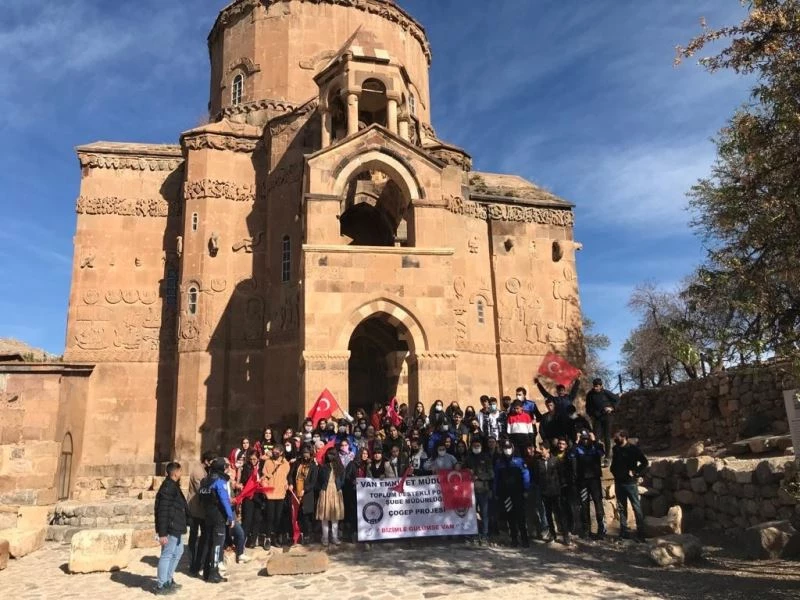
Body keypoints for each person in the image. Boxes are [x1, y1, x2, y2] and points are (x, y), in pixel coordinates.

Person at [154, 462, 189, 594]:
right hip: (170, 528)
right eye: (180, 471)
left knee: (178, 552)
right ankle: (161, 585)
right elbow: (162, 511)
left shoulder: (174, 486)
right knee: (167, 554)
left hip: (177, 526)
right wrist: (162, 533)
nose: (181, 474)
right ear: (175, 473)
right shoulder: (168, 488)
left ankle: (168, 579)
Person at [198, 457, 233, 583]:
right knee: (217, 544)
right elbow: (224, 500)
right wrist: (230, 517)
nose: (227, 468)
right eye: (225, 466)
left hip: (208, 514)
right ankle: (213, 572)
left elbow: (201, 497)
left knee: (208, 542)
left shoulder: (205, 480)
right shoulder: (219, 481)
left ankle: (207, 571)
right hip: (218, 515)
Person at [610, 430, 648, 540]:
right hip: (619, 482)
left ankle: (641, 533)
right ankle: (623, 531)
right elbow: (614, 463)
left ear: (624, 437)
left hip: (630, 483)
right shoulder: (615, 448)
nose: (615, 439)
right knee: (621, 508)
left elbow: (644, 462)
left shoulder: (633, 449)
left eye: (617, 437)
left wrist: (635, 472)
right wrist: (614, 471)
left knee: (636, 507)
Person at [494, 440, 530, 547]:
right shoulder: (499, 463)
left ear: (513, 448)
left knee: (521, 516)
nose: (507, 450)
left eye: (509, 447)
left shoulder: (519, 461)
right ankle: (514, 539)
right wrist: (496, 491)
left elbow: (526, 475)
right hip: (506, 495)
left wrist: (526, 489)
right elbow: (496, 479)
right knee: (510, 516)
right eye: (505, 448)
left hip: (518, 493)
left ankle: (524, 540)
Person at [572, 431, 606, 538]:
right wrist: (576, 442)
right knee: (584, 505)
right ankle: (587, 530)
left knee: (598, 503)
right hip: (582, 481)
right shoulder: (578, 448)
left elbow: (602, 452)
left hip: (594, 480)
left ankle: (601, 528)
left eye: (587, 438)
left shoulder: (595, 447)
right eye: (583, 439)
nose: (585, 441)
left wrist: (595, 440)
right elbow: (571, 455)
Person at [530, 446, 567, 544]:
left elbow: (561, 474)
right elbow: (535, 477)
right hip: (545, 493)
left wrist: (561, 487)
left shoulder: (555, 460)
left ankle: (565, 535)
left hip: (556, 492)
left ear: (547, 449)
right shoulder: (538, 462)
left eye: (542, 449)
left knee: (559, 513)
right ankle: (552, 534)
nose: (540, 450)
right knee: (548, 514)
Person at [187, 450, 215, 576]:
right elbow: (202, 490)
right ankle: (193, 565)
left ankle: (198, 562)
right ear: (206, 461)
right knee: (194, 537)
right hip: (196, 509)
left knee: (203, 537)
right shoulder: (198, 472)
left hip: (202, 510)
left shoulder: (205, 470)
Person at [464, 437, 493, 544]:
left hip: (483, 489)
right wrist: (465, 470)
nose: (476, 448)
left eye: (478, 446)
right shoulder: (468, 458)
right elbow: (462, 470)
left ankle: (484, 535)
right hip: (470, 491)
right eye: (474, 446)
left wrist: (479, 476)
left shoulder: (486, 457)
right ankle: (473, 534)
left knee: (484, 514)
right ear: (471, 447)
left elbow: (491, 474)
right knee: (471, 513)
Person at [260, 445, 290, 550]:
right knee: (270, 517)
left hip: (281, 494)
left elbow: (285, 476)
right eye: (274, 451)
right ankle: (267, 538)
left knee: (278, 518)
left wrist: (286, 485)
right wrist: (265, 487)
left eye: (277, 451)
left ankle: (275, 537)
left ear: (281, 452)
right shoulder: (268, 462)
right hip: (270, 494)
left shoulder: (285, 464)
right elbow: (264, 476)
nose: (275, 453)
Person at [585, 378, 620, 466]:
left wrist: (611, 408)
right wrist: (591, 414)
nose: (595, 388)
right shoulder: (590, 394)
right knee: (596, 438)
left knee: (607, 437)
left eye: (597, 386)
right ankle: (598, 456)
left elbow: (617, 399)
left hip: (607, 417)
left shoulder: (606, 392)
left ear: (601, 386)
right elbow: (587, 407)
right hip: (596, 418)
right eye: (594, 386)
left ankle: (607, 458)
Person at [290, 445, 319, 544]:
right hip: (295, 492)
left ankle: (307, 535)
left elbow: (313, 482)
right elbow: (291, 475)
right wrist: (290, 484)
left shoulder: (313, 467)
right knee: (296, 515)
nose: (305, 455)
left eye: (307, 453)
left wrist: (305, 489)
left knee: (306, 516)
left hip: (307, 495)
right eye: (304, 453)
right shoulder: (297, 463)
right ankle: (296, 535)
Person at [316, 449, 345, 546]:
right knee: (324, 516)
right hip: (325, 490)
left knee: (335, 517)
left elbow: (343, 479)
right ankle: (325, 538)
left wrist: (339, 486)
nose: (329, 456)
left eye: (332, 454)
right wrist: (322, 488)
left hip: (336, 491)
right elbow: (319, 479)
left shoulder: (340, 467)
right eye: (328, 454)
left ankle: (335, 537)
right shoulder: (323, 467)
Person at [553, 437, 580, 537]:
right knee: (561, 508)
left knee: (571, 506)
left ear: (566, 445)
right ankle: (565, 528)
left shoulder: (569, 455)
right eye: (559, 443)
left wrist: (572, 481)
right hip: (558, 485)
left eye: (563, 444)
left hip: (569, 484)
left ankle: (574, 527)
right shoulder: (554, 455)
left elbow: (574, 469)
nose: (561, 445)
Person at [239, 450, 263, 548]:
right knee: (247, 520)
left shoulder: (262, 467)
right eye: (251, 459)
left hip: (258, 496)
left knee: (257, 518)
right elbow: (244, 480)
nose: (253, 461)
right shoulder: (246, 467)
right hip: (249, 495)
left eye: (255, 459)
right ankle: (242, 540)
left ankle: (253, 540)